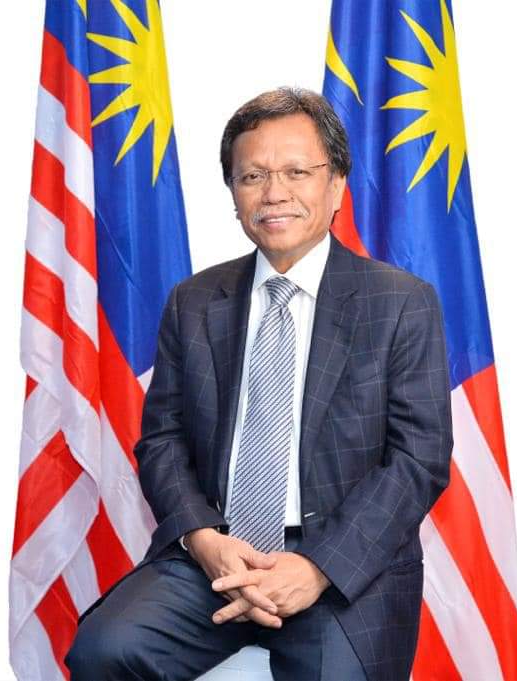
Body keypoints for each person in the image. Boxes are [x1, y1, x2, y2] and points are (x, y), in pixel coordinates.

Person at [66, 87, 453, 681]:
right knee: (104, 649)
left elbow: (418, 458)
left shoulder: (400, 302)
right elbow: (162, 440)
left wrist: (317, 567)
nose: (274, 193)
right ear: (233, 193)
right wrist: (203, 540)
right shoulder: (194, 301)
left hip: (343, 569)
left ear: (336, 185)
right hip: (217, 559)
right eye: (253, 176)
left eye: (297, 172)